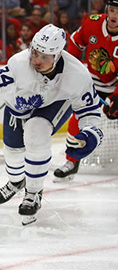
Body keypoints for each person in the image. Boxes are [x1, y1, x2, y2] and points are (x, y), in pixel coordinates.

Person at [0, 24, 103, 225]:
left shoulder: (77, 75)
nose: (37, 60)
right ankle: (16, 181)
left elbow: (90, 112)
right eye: (35, 53)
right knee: (13, 154)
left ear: (58, 55)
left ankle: (33, 193)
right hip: (18, 107)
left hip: (54, 104)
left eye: (44, 56)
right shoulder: (19, 64)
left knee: (36, 131)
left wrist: (91, 132)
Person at [54, 0, 118, 182]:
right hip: (91, 82)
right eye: (112, 10)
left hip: (116, 85)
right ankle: (72, 161)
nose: (114, 16)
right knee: (78, 118)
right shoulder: (93, 22)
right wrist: (71, 67)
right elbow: (76, 40)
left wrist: (117, 97)